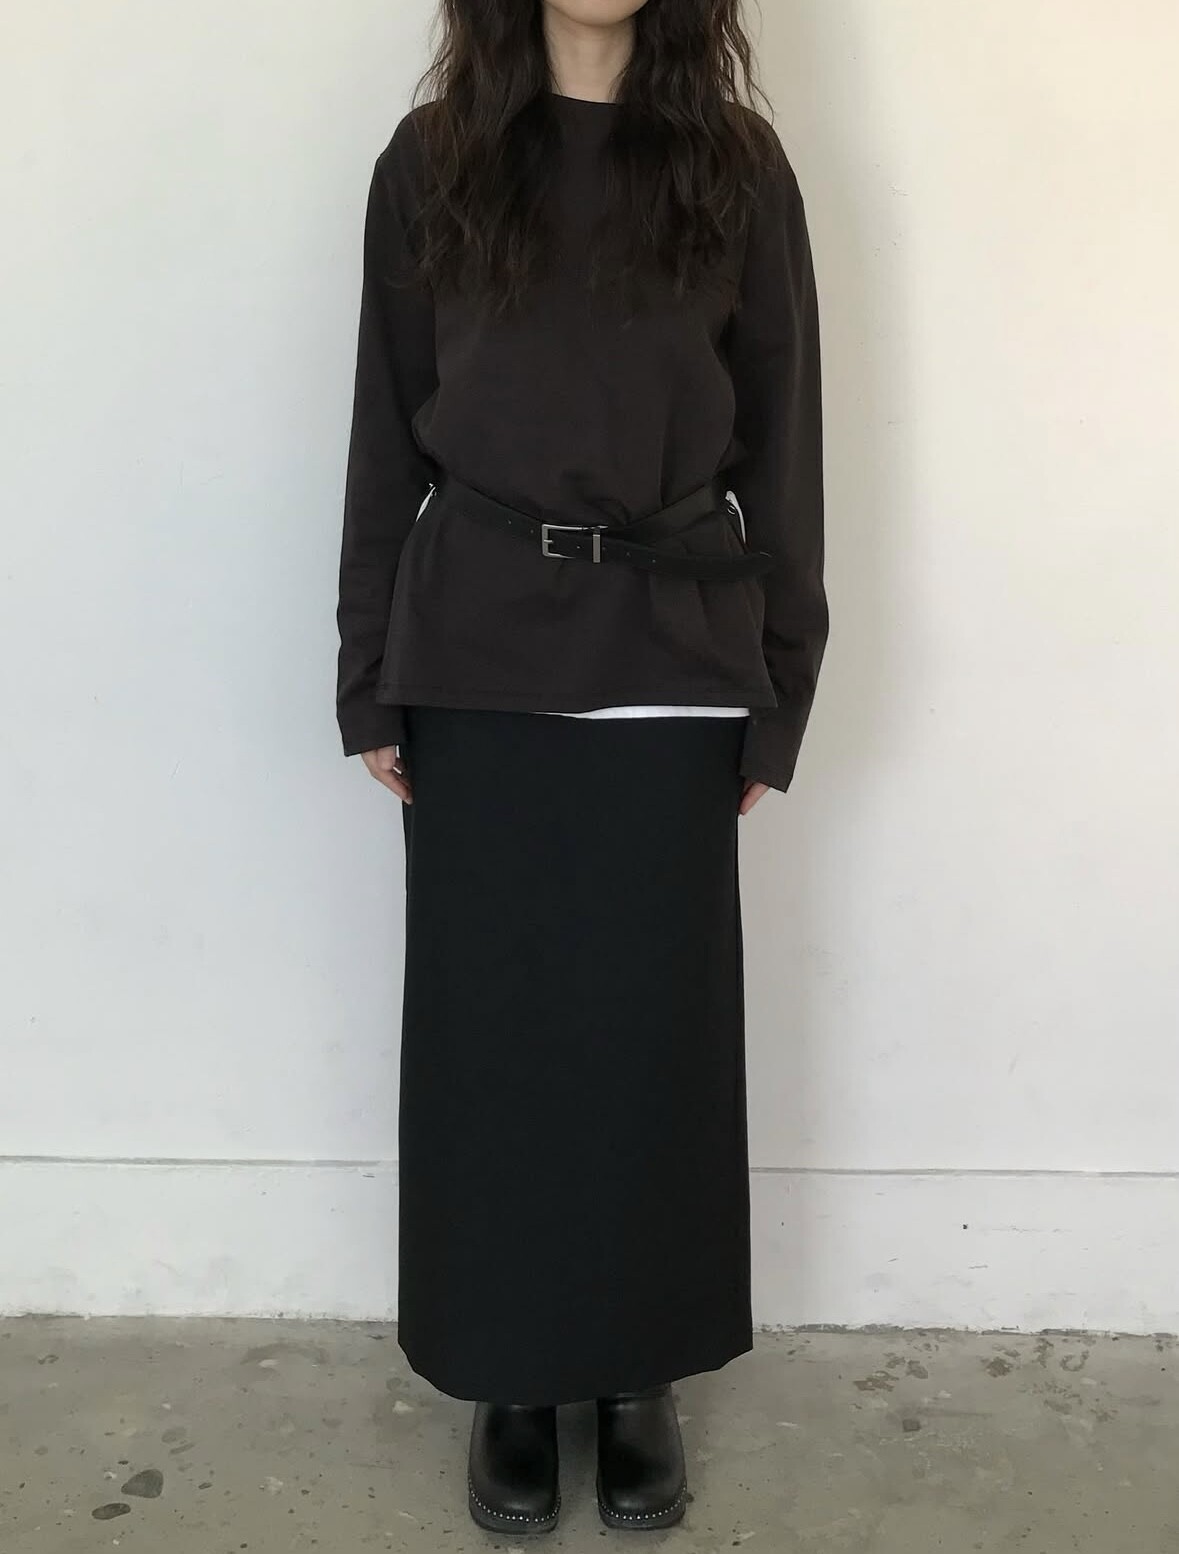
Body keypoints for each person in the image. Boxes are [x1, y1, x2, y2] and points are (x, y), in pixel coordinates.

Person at [335, 0, 828, 1534]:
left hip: (671, 664)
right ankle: (512, 1369)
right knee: (495, 1042)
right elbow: (383, 436)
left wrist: (781, 683)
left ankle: (634, 1371)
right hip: (477, 657)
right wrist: (366, 670)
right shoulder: (432, 162)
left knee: (649, 1040)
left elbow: (785, 448)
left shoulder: (736, 168)